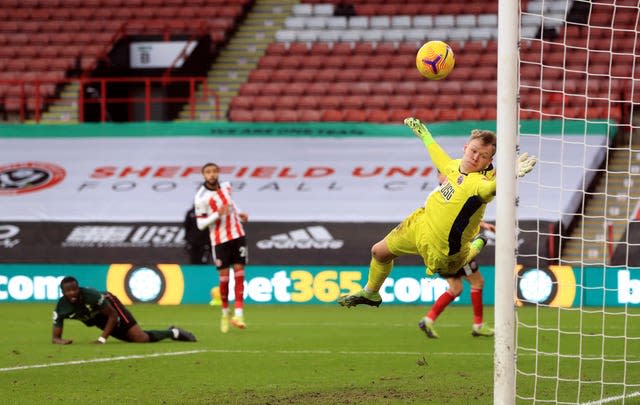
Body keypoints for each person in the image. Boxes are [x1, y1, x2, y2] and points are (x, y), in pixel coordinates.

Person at [338, 117, 536, 334]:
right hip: (419, 225)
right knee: (378, 252)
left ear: (490, 161)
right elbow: (439, 156)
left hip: (443, 252)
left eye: (484, 156)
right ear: (465, 148)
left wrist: (509, 176)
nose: (475, 157)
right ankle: (371, 293)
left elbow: (491, 190)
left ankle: (477, 244)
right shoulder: (455, 166)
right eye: (473, 151)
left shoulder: (480, 183)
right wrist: (424, 134)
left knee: (461, 266)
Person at [418, 171, 497, 339]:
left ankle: (428, 319)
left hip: (439, 252)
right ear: (439, 177)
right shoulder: (443, 195)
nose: (447, 176)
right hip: (456, 250)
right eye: (444, 174)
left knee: (456, 288)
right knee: (477, 282)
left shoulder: (436, 196)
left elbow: (458, 216)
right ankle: (478, 325)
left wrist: (482, 224)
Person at [52, 276, 196, 344]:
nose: (72, 293)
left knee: (140, 338)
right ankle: (172, 332)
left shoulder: (91, 296)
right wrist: (60, 341)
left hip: (111, 307)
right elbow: (55, 337)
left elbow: (113, 315)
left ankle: (173, 332)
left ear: (79, 288)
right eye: (68, 291)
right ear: (63, 292)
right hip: (98, 318)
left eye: (75, 289)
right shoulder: (61, 307)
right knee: (134, 339)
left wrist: (102, 339)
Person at [195, 162, 249, 333]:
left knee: (240, 273)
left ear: (218, 173)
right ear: (203, 175)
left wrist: (240, 213)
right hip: (219, 241)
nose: (211, 175)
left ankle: (239, 314)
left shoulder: (226, 186)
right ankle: (225, 312)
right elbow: (200, 224)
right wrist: (218, 214)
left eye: (214, 171)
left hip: (238, 234)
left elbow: (231, 203)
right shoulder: (201, 197)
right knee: (224, 278)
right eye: (208, 172)